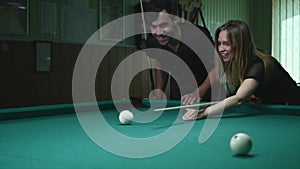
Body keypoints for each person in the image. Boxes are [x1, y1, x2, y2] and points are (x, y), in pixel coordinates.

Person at [182, 20, 300, 120]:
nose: (221, 49)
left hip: (293, 109)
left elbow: (238, 99)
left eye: (226, 44)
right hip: (276, 108)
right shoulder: (237, 61)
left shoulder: (258, 64)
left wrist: (203, 112)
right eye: (219, 43)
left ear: (240, 44)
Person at [143, 0, 215, 104]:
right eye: (153, 26)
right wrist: (159, 94)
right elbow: (161, 64)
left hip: (208, 97)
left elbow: (218, 68)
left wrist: (198, 93)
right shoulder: (153, 42)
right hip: (178, 97)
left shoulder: (197, 36)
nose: (158, 33)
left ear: (175, 20)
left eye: (163, 25)